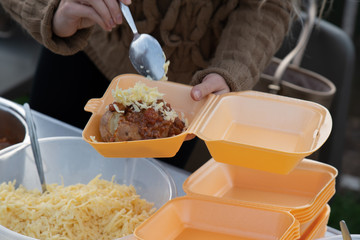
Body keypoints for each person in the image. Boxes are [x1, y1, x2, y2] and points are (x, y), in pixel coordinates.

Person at [0, 0, 299, 169]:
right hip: (81, 50)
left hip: (186, 97)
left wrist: (233, 70)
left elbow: (268, 6)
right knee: (42, 182)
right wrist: (50, 10)